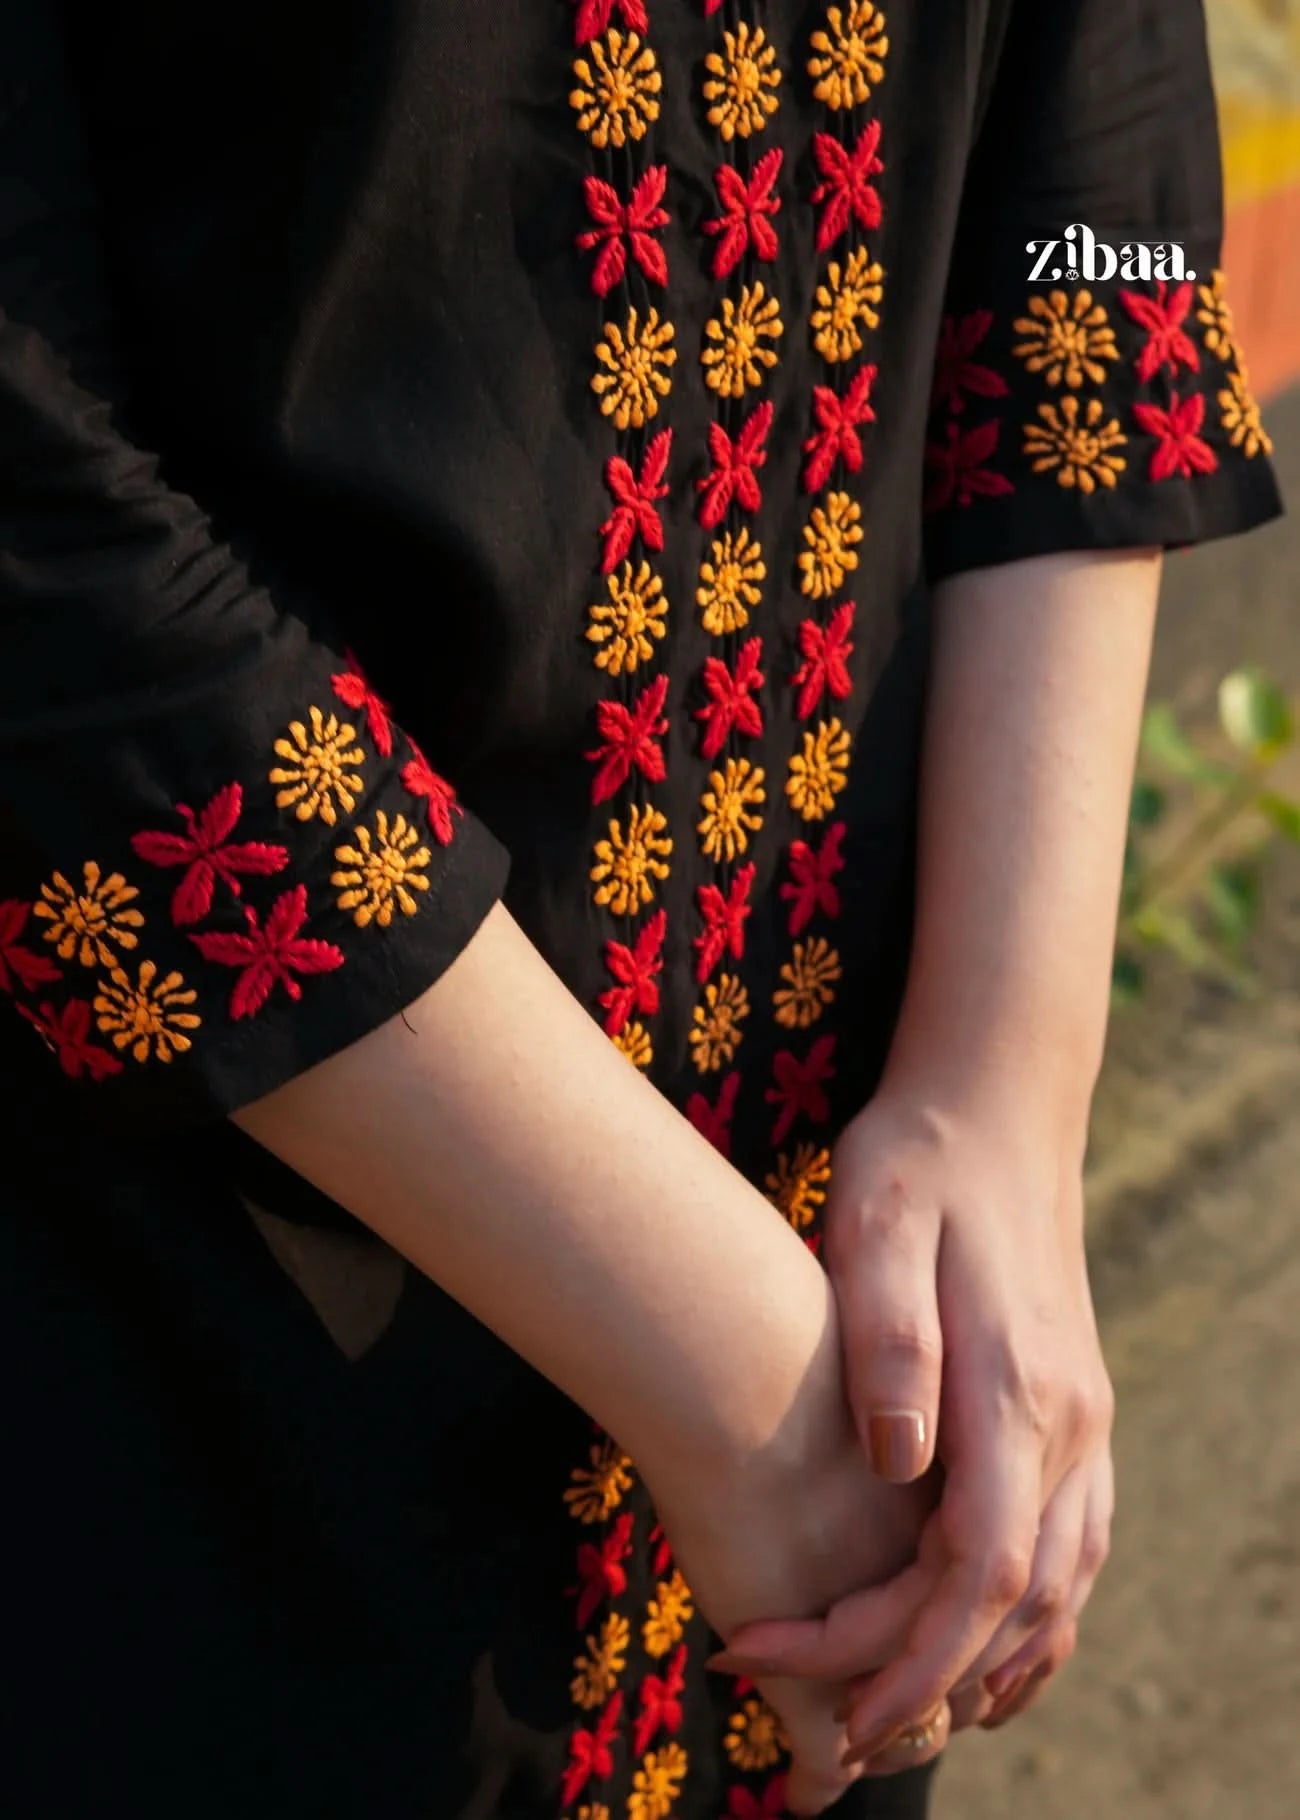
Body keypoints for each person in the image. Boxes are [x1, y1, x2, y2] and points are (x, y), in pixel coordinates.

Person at [0, 0, 1281, 1815]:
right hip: (194, 1325)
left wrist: (1005, 1086)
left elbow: (1092, 169)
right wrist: (724, 1360)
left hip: (853, 1304)